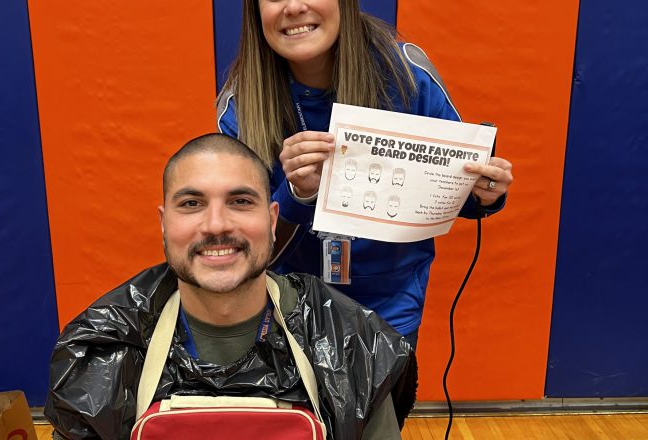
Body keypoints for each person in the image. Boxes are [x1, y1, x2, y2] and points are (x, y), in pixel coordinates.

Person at [42, 133, 415, 440]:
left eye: (239, 201)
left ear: (272, 221)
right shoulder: (107, 349)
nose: (216, 224)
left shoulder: (345, 341)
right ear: (163, 223)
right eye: (191, 204)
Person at [217, 0, 514, 353]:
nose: (294, 6)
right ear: (255, 12)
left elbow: (453, 191)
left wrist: (483, 192)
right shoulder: (243, 104)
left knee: (383, 410)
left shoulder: (406, 73)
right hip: (290, 305)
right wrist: (297, 194)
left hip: (391, 306)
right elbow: (247, 249)